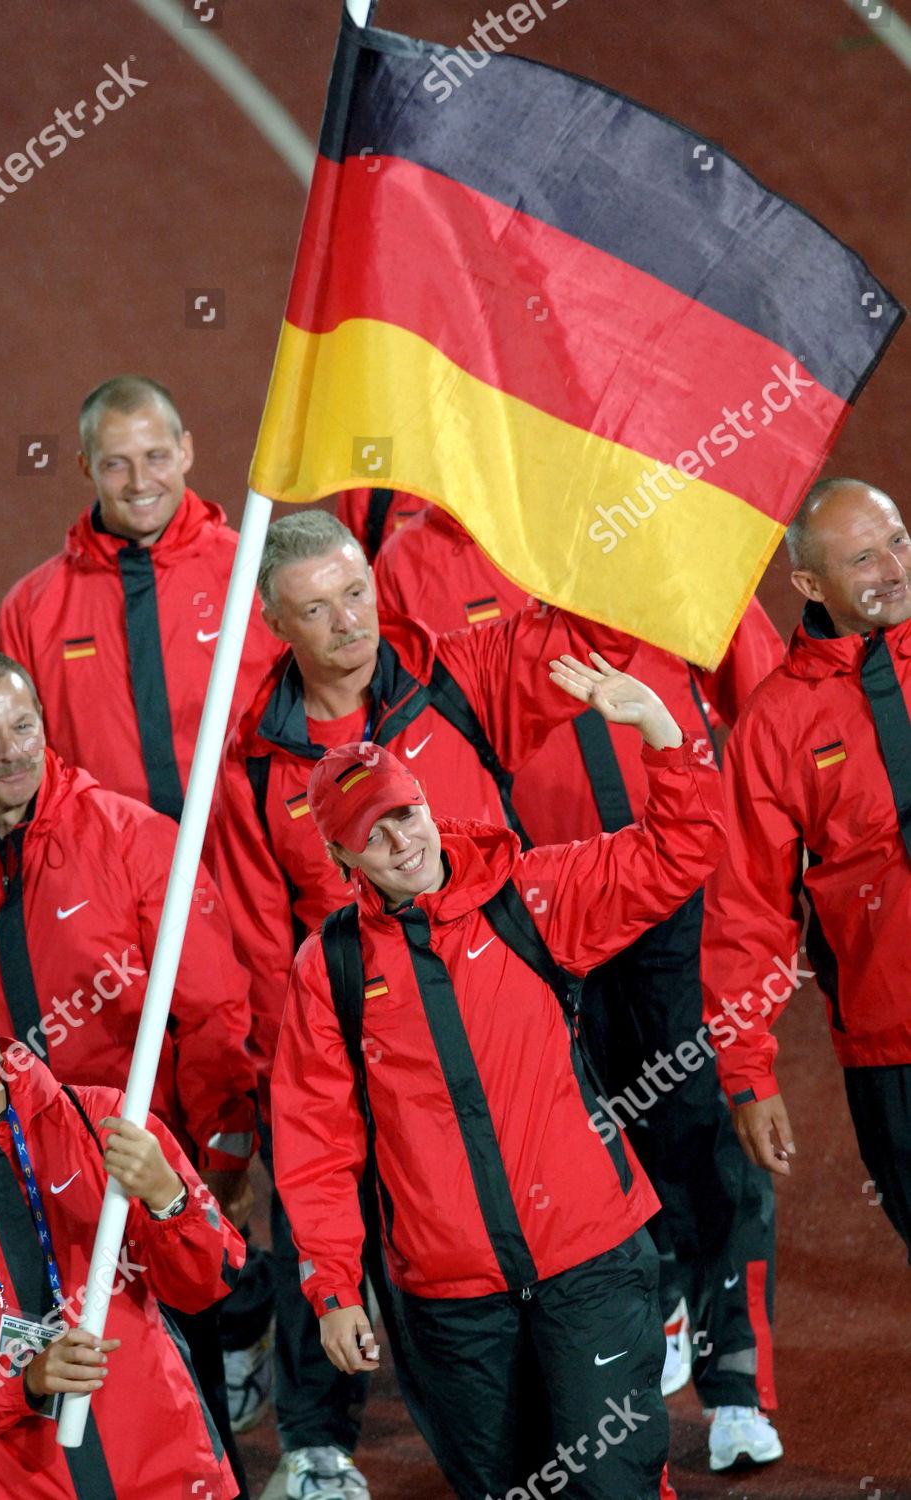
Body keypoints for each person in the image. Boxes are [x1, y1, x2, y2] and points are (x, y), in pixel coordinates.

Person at [209, 509, 635, 1499]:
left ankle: (608, 1349)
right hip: (354, 1021)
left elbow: (593, 641)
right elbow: (260, 925)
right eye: (316, 609)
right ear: (277, 622)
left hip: (501, 995)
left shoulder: (459, 673)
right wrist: (295, 1071)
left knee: (532, 1191)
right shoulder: (256, 763)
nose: (348, 621)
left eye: (356, 592)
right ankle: (319, 1438)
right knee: (345, 1221)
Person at [375, 503, 784, 1472]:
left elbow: (750, 671)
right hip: (541, 907)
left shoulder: (623, 508)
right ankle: (655, 1310)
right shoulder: (408, 560)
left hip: (669, 883)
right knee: (585, 1126)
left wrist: (770, 823)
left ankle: (736, 1380)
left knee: (705, 1126)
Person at [271, 648, 726, 1500]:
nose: (398, 840)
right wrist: (332, 1286)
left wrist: (663, 734)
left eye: (402, 813)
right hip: (449, 1297)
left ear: (427, 805)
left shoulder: (533, 896)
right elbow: (315, 1142)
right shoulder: (326, 969)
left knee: (614, 1483)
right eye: (370, 833)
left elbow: (681, 850)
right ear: (340, 863)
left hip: (586, 1255)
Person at [0, 648, 257, 1491]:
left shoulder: (133, 839)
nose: (12, 751)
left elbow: (212, 1013)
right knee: (34, 1434)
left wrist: (208, 1168)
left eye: (24, 726)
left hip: (121, 1175)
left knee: (169, 1399)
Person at [0, 957, 245, 1499]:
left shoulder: (102, 1118)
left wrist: (167, 1197)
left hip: (171, 1468)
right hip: (23, 1485)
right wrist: (22, 1383)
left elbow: (207, 1283)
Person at [702, 477, 911, 1260]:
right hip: (894, 1043)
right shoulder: (774, 725)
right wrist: (747, 1072)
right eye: (863, 558)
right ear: (808, 584)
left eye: (898, 541)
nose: (892, 568)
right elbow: (745, 912)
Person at [0, 374, 279, 821]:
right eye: (116, 464)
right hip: (109, 869)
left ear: (185, 450)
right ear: (86, 466)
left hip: (250, 860)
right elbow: (18, 761)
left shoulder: (258, 576)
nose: (140, 481)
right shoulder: (31, 609)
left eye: (156, 457)